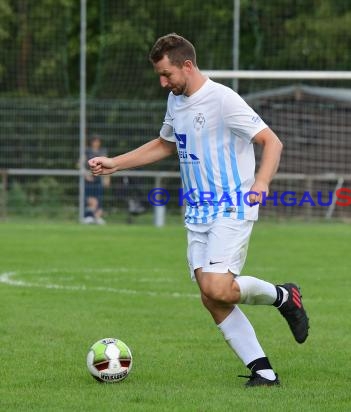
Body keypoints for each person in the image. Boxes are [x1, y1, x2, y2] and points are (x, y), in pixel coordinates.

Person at [88, 33, 309, 387]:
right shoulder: (177, 102)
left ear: (187, 66)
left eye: (167, 75)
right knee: (211, 296)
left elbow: (271, 141)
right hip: (197, 212)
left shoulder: (222, 100)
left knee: (218, 287)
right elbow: (164, 143)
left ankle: (284, 296)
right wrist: (116, 163)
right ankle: (263, 372)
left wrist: (262, 182)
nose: (163, 83)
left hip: (232, 205)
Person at [83, 135, 108, 224]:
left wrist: (107, 178)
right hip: (89, 178)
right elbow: (80, 164)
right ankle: (88, 216)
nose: (96, 143)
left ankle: (97, 217)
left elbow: (108, 165)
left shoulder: (102, 151)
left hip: (99, 177)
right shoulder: (87, 151)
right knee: (89, 198)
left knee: (98, 198)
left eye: (98, 141)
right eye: (95, 141)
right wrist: (85, 174)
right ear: (91, 142)